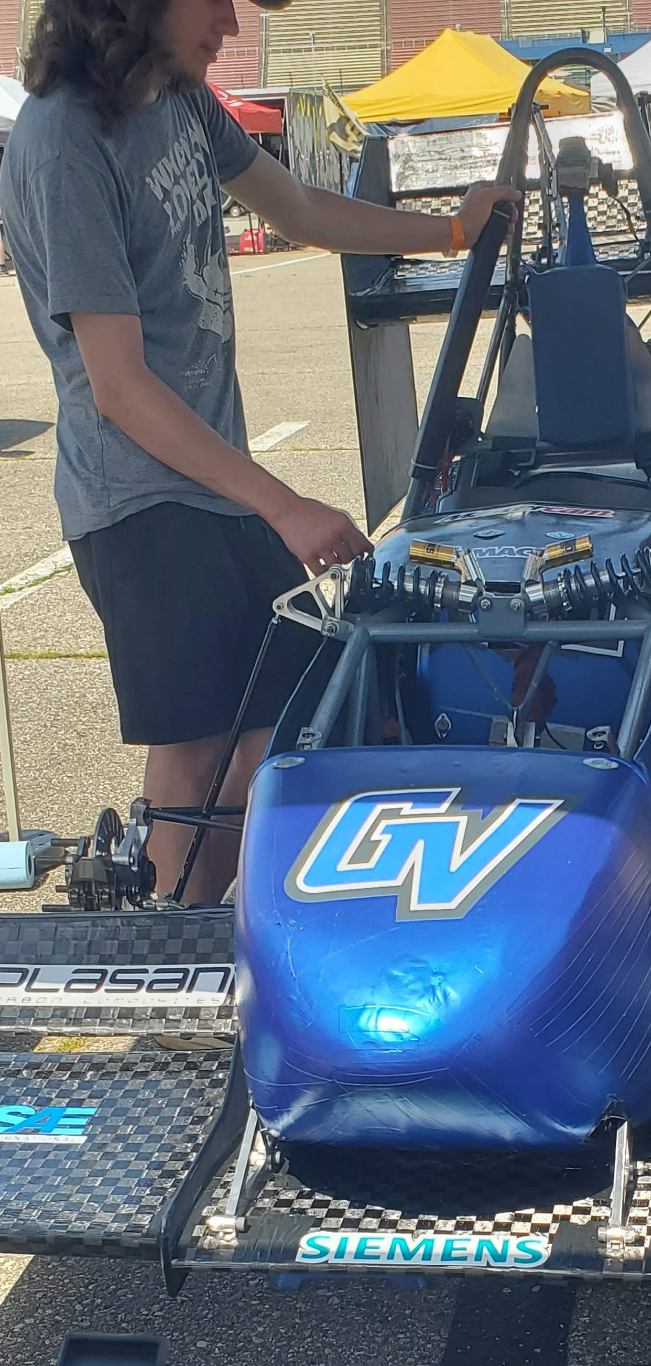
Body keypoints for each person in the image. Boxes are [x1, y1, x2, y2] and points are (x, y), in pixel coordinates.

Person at [0, 0, 517, 899]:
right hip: (140, 501)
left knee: (276, 734)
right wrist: (284, 504)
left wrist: (453, 231)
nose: (232, 24)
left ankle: (202, 949)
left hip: (216, 488)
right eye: (214, 0)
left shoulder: (185, 100)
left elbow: (302, 208)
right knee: (197, 758)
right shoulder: (63, 139)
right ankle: (167, 977)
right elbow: (117, 386)